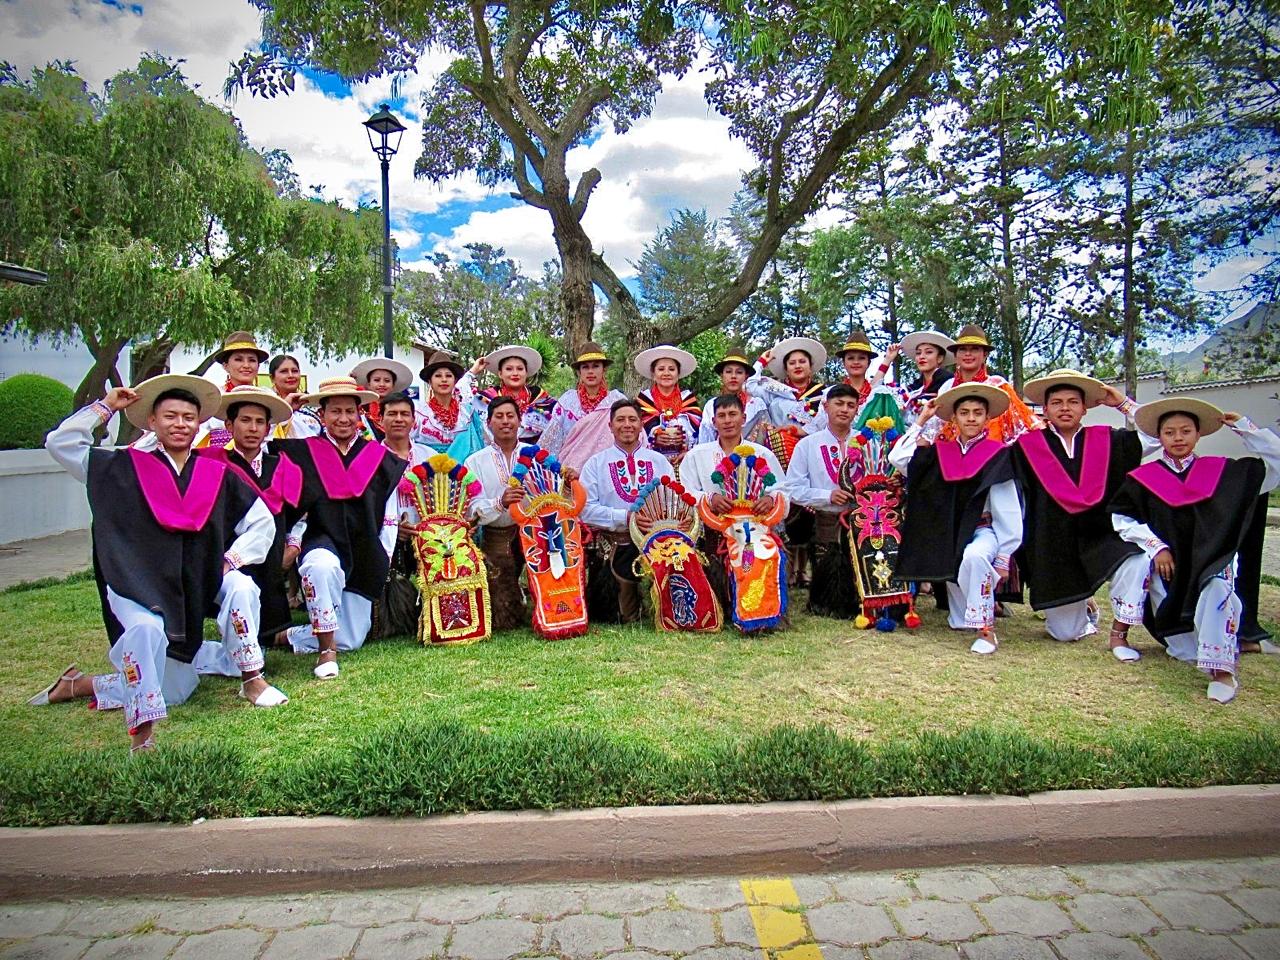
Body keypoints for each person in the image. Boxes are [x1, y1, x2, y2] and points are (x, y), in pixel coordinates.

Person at [34, 375, 285, 752]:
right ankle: (135, 729)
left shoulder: (213, 474)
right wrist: (107, 406)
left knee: (240, 588)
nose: (180, 424)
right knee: (149, 640)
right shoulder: (122, 467)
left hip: (195, 585)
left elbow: (262, 521)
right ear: (152, 422)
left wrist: (232, 559)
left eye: (188, 417)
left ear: (200, 424)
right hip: (138, 582)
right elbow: (61, 443)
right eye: (170, 416)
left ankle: (252, 678)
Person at [1108, 398, 1280, 703]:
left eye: (1185, 431)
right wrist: (1156, 546)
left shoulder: (1224, 472)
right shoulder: (1144, 480)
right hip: (1171, 571)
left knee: (1217, 586)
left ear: (1198, 434)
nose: (1178, 438)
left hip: (1213, 559)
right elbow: (1122, 518)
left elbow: (1276, 462)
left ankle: (1223, 672)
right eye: (1169, 432)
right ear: (1159, 437)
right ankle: (1238, 641)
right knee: (1185, 652)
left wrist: (1244, 427)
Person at [1014, 370, 1154, 657]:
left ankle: (1119, 632)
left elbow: (1155, 436)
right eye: (1057, 402)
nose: (1065, 408)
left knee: (1138, 559)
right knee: (1065, 634)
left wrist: (1122, 403)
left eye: (1073, 402)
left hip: (1100, 535)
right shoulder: (1025, 447)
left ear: (1085, 407)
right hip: (1052, 544)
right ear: (1045, 409)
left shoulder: (1107, 440)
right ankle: (1086, 607)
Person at [273, 377, 406, 678]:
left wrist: (382, 554)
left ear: (360, 415)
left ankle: (287, 636)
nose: (343, 418)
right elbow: (261, 455)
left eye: (350, 411)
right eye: (335, 411)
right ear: (322, 415)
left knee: (352, 639)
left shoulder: (380, 459)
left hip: (365, 547)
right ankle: (325, 652)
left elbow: (389, 513)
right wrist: (286, 413)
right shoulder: (304, 453)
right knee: (321, 568)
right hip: (321, 539)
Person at [891, 382, 1023, 655]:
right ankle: (973, 613)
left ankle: (987, 631)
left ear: (988, 418)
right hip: (948, 534)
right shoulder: (941, 452)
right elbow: (899, 459)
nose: (971, 418)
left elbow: (1008, 506)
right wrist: (922, 420)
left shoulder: (998, 454)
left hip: (982, 529)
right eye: (964, 412)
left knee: (974, 556)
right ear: (954, 418)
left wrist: (1004, 555)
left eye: (977, 412)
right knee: (961, 620)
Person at [194, 385, 304, 671]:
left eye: (259, 422)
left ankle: (268, 633)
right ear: (229, 425)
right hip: (228, 550)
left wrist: (293, 544)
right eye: (245, 420)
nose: (253, 428)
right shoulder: (210, 463)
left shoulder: (282, 466)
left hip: (272, 554)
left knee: (265, 628)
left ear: (268, 428)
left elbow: (297, 513)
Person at [681, 393, 789, 615]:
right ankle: (725, 605)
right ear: (714, 422)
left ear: (743, 418)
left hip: (755, 529)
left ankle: (760, 609)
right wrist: (709, 499)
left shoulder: (762, 453)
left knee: (761, 555)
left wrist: (769, 499)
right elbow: (685, 490)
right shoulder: (697, 455)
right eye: (722, 416)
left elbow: (782, 489)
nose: (727, 420)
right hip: (713, 532)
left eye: (733, 414)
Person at [580, 399, 675, 623]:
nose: (627, 425)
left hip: (655, 545)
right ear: (610, 426)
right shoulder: (595, 464)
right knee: (615, 614)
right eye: (620, 420)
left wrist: (661, 523)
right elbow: (585, 510)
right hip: (613, 545)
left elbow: (673, 501)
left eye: (632, 419)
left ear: (641, 425)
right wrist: (625, 517)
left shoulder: (659, 462)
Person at [746, 336, 829, 585]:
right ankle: (789, 569)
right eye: (791, 362)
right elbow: (749, 385)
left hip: (809, 453)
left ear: (811, 367)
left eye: (802, 361)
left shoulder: (823, 394)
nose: (797, 366)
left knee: (808, 510)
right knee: (787, 507)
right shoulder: (776, 391)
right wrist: (762, 360)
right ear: (786, 368)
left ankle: (804, 570)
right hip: (782, 454)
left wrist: (802, 432)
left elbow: (824, 422)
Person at [785, 383, 863, 617]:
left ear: (857, 410)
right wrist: (826, 495)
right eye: (839, 404)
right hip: (824, 517)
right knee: (827, 576)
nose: (844, 410)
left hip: (860, 519)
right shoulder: (808, 444)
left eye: (851, 405)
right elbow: (793, 489)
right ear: (826, 407)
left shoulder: (867, 441)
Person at [464, 396, 530, 631]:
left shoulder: (536, 456)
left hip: (533, 538)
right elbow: (471, 509)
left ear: (519, 421)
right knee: (503, 615)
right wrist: (499, 502)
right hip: (496, 537)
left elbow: (552, 493)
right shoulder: (475, 462)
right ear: (489, 423)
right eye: (499, 417)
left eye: (510, 416)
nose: (505, 422)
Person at [372, 391, 425, 639]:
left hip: (424, 536)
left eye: (405, 414)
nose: (398, 419)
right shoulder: (369, 458)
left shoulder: (429, 457)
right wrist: (392, 528)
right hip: (385, 539)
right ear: (380, 419)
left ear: (414, 420)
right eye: (391, 414)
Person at [934, 324, 1041, 444]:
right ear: (956, 355)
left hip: (992, 455)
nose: (968, 354)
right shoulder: (946, 387)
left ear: (985, 355)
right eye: (963, 349)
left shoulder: (998, 385)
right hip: (952, 455)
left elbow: (1025, 424)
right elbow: (937, 427)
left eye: (974, 349)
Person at [540, 341, 630, 468]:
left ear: (604, 370)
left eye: (596, 366)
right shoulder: (567, 402)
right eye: (585, 367)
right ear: (579, 372)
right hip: (570, 474)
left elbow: (631, 434)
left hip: (608, 470)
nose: (590, 371)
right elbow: (551, 440)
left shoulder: (617, 401)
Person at [474, 344, 556, 444]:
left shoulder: (543, 400)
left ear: (526, 372)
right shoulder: (485, 399)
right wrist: (473, 371)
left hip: (534, 456)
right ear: (500, 373)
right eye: (509, 369)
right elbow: (458, 399)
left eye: (520, 369)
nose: (515, 373)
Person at [635, 344, 701, 465]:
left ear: (678, 374)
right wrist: (655, 435)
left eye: (671, 369)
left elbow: (697, 430)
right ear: (653, 375)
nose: (666, 373)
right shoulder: (644, 400)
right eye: (661, 369)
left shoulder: (688, 399)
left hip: (684, 461)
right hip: (651, 461)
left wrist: (682, 436)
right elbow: (637, 430)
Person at [414, 350, 485, 459]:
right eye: (438, 376)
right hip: (427, 471)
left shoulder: (467, 413)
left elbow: (477, 446)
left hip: (463, 473)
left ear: (455, 381)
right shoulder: (419, 414)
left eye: (448, 376)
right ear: (429, 381)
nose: (443, 380)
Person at [697, 345, 768, 444]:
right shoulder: (711, 405)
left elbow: (765, 438)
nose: (733, 376)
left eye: (739, 372)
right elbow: (705, 441)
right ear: (722, 375)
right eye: (729, 372)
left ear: (746, 376)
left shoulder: (758, 405)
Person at [351, 356, 415, 442]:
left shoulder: (401, 410)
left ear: (393, 385)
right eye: (377, 380)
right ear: (369, 384)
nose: (382, 384)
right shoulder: (360, 410)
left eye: (387, 381)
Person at [835, 327, 899, 410]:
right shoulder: (833, 394)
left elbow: (876, 384)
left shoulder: (876, 393)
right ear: (843, 362)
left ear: (868, 363)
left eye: (861, 358)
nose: (856, 362)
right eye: (851, 358)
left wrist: (888, 359)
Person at [899, 330, 955, 423]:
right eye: (918, 353)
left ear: (940, 358)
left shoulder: (949, 383)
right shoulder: (914, 388)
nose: (922, 356)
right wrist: (888, 359)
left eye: (928, 352)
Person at [264, 354, 323, 440]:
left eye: (295, 371)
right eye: (284, 371)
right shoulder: (267, 404)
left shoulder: (311, 405)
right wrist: (284, 409)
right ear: (272, 378)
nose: (291, 375)